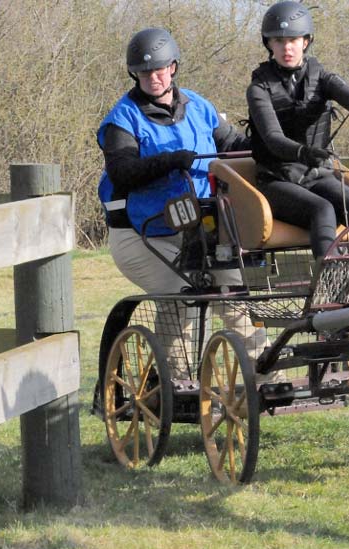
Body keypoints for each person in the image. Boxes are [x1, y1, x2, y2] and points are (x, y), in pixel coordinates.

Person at [96, 27, 267, 383]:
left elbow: (234, 144)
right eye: (144, 73)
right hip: (143, 234)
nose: (153, 78)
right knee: (182, 295)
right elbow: (123, 172)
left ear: (173, 67)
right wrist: (171, 159)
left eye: (160, 70)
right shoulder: (122, 120)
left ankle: (263, 375)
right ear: (135, 75)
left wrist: (270, 143)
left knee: (232, 294)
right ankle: (177, 382)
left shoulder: (198, 106)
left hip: (198, 227)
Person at [246, 1, 349, 258]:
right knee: (322, 209)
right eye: (278, 41)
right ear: (269, 44)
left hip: (317, 174)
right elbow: (272, 139)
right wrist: (304, 152)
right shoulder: (259, 89)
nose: (286, 47)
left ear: (306, 41)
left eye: (293, 39)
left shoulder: (322, 77)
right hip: (278, 180)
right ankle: (329, 283)